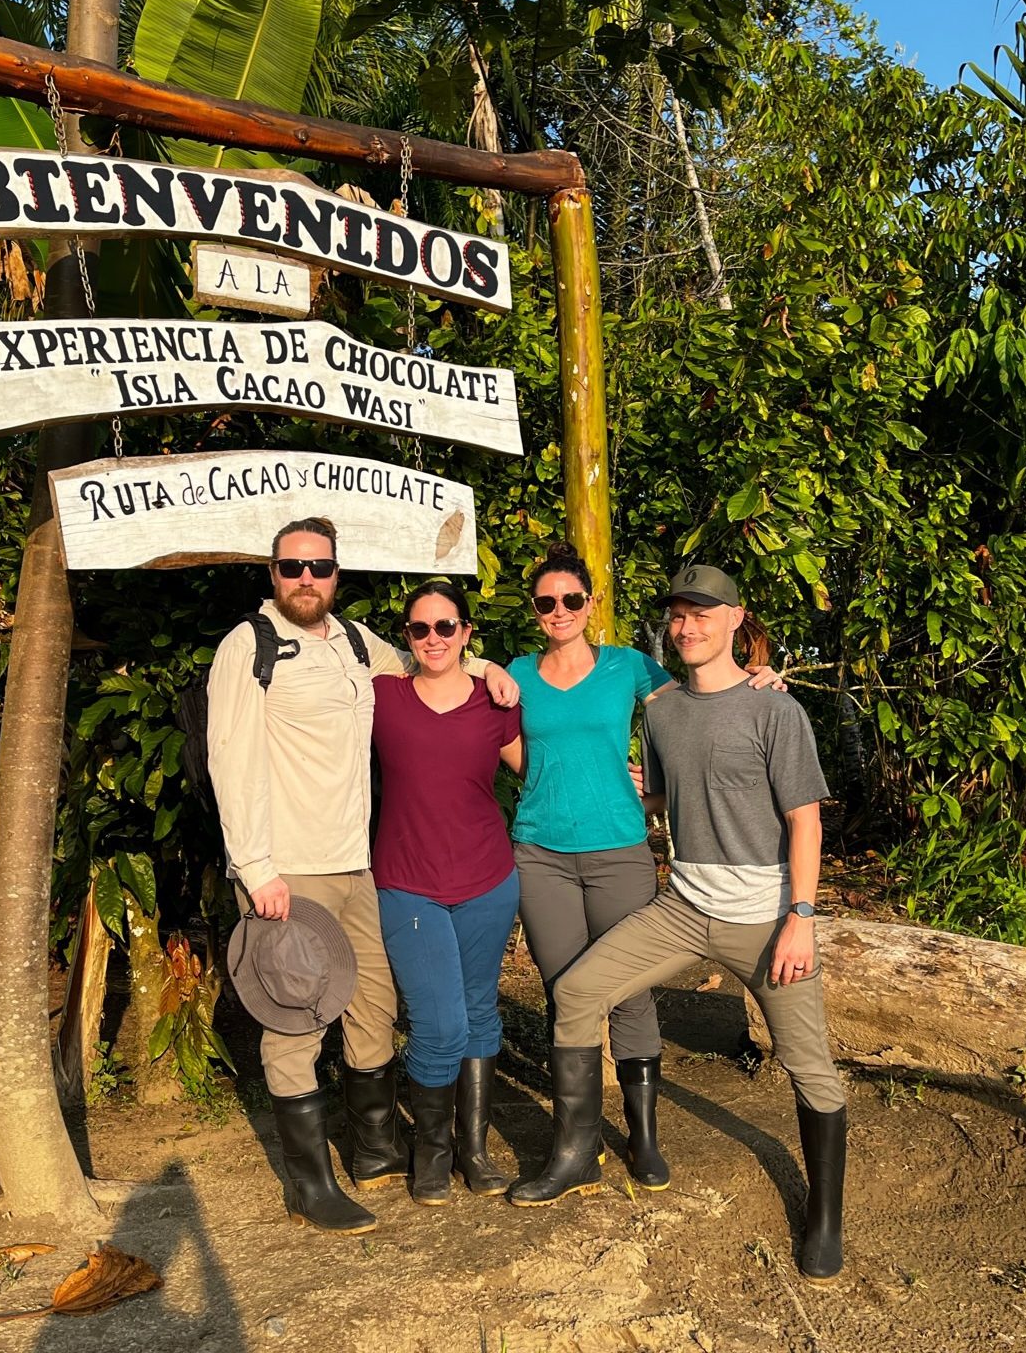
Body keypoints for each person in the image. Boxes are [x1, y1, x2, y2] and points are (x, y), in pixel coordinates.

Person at [510, 563, 848, 1283]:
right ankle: (577, 1154)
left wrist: (802, 917)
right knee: (576, 993)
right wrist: (629, 793)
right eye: (679, 615)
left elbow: (805, 821)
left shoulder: (775, 710)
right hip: (685, 908)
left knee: (810, 1068)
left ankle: (824, 1215)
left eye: (704, 614)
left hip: (766, 919)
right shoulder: (662, 711)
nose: (688, 627)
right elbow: (668, 796)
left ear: (736, 619)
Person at [206, 517, 519, 1234]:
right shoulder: (247, 647)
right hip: (287, 868)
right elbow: (230, 758)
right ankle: (310, 1184)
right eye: (292, 566)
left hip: (359, 863)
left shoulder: (354, 641)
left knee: (371, 1007)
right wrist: (256, 868)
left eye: (318, 566)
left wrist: (487, 667)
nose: (306, 578)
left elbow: (428, 660)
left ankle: (374, 1151)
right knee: (295, 1018)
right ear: (273, 574)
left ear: (336, 573)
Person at [503, 539, 678, 1195]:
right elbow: (500, 738)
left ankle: (643, 1137)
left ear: (591, 602)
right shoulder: (516, 674)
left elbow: (692, 717)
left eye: (571, 599)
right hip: (540, 854)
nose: (559, 611)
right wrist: (549, 778)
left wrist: (656, 792)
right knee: (565, 993)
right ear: (534, 609)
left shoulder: (629, 666)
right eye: (546, 602)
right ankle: (577, 1150)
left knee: (629, 989)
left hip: (619, 851)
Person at [370, 580, 523, 1205]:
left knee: (480, 1012)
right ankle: (430, 1151)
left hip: (488, 879)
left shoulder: (496, 702)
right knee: (438, 1022)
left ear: (465, 632)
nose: (433, 638)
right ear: (407, 637)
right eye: (419, 628)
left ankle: (473, 1148)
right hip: (408, 884)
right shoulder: (382, 697)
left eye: (445, 626)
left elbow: (542, 770)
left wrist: (632, 781)